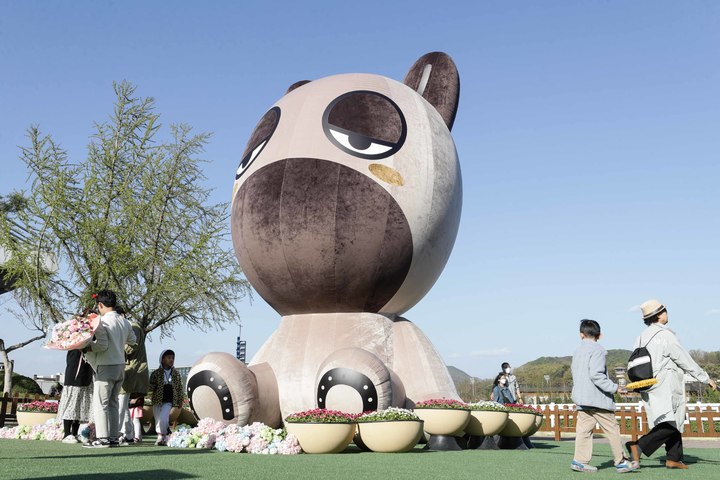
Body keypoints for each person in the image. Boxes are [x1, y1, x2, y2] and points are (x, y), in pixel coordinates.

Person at [625, 299, 717, 470]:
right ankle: (638, 446)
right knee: (670, 421)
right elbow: (683, 359)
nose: (667, 313)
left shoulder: (640, 337)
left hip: (648, 384)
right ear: (659, 315)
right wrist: (705, 378)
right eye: (665, 311)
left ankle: (674, 458)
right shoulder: (665, 335)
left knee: (669, 420)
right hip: (666, 383)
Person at [570, 319, 636, 473]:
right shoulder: (598, 350)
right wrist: (615, 388)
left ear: (581, 334)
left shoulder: (577, 351)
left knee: (584, 432)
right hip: (597, 399)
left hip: (581, 398)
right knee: (612, 429)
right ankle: (620, 461)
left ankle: (580, 461)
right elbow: (596, 375)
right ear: (600, 335)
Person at [83, 290, 136, 448]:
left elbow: (101, 345)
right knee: (113, 403)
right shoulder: (124, 321)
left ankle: (103, 438)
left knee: (101, 404)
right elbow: (133, 340)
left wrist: (86, 346)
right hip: (120, 365)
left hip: (106, 365)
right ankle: (113, 437)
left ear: (100, 305)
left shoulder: (101, 321)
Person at [117, 309, 149, 445]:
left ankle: (117, 433)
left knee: (121, 403)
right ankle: (128, 433)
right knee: (123, 405)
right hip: (128, 369)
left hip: (131, 370)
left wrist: (114, 342)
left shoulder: (133, 327)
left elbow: (130, 348)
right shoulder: (129, 326)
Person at [56, 348, 94, 444]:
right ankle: (67, 433)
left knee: (80, 405)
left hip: (86, 373)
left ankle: (74, 433)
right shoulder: (74, 342)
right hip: (75, 375)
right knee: (71, 404)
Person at [148, 349, 184, 446]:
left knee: (163, 418)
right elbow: (151, 386)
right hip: (157, 399)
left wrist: (180, 400)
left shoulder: (176, 373)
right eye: (169, 358)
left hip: (169, 399)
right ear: (162, 360)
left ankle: (161, 435)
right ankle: (163, 436)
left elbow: (179, 388)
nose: (171, 360)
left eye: (172, 358)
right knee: (158, 418)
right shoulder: (156, 373)